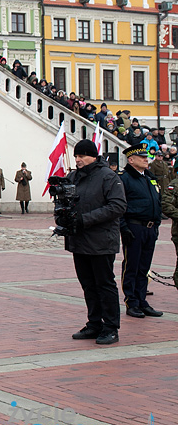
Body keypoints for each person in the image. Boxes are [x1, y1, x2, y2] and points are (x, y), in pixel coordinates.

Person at [63, 140, 126, 345]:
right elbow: (66, 203)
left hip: (101, 241)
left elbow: (117, 206)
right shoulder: (73, 176)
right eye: (76, 156)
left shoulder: (108, 176)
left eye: (81, 156)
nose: (78, 160)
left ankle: (110, 327)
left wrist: (85, 219)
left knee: (104, 285)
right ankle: (94, 323)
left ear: (92, 156)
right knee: (88, 284)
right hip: (79, 240)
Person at [117, 144, 163, 319]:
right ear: (131, 160)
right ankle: (132, 302)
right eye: (142, 157)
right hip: (134, 226)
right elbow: (119, 205)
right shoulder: (125, 178)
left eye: (146, 157)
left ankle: (142, 300)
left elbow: (157, 202)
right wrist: (124, 228)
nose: (146, 159)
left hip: (150, 228)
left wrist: (156, 224)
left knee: (144, 267)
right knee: (132, 266)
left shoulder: (149, 178)